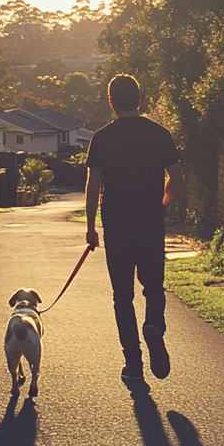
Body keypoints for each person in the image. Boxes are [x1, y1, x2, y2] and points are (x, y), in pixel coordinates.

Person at [85, 73, 186, 385]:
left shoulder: (101, 138)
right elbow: (178, 179)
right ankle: (154, 325)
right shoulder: (159, 134)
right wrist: (164, 203)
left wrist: (91, 228)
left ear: (112, 101)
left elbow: (93, 186)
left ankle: (133, 363)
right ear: (139, 99)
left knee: (122, 296)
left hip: (117, 225)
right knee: (154, 288)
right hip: (150, 223)